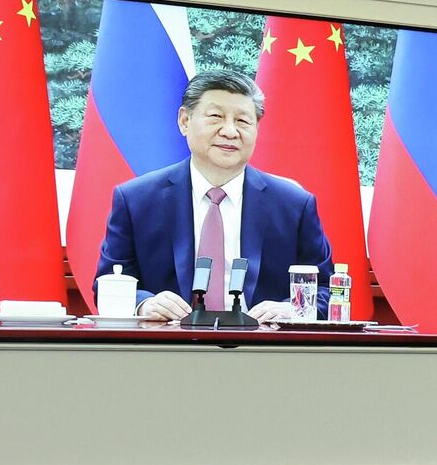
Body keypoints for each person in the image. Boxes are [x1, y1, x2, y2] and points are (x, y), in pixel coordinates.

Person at [96, 71, 332, 323]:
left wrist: (293, 309)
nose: (230, 131)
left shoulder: (293, 205)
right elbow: (108, 282)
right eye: (216, 117)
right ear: (184, 121)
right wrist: (144, 304)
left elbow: (326, 290)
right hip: (169, 341)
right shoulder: (137, 200)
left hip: (262, 342)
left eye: (243, 121)